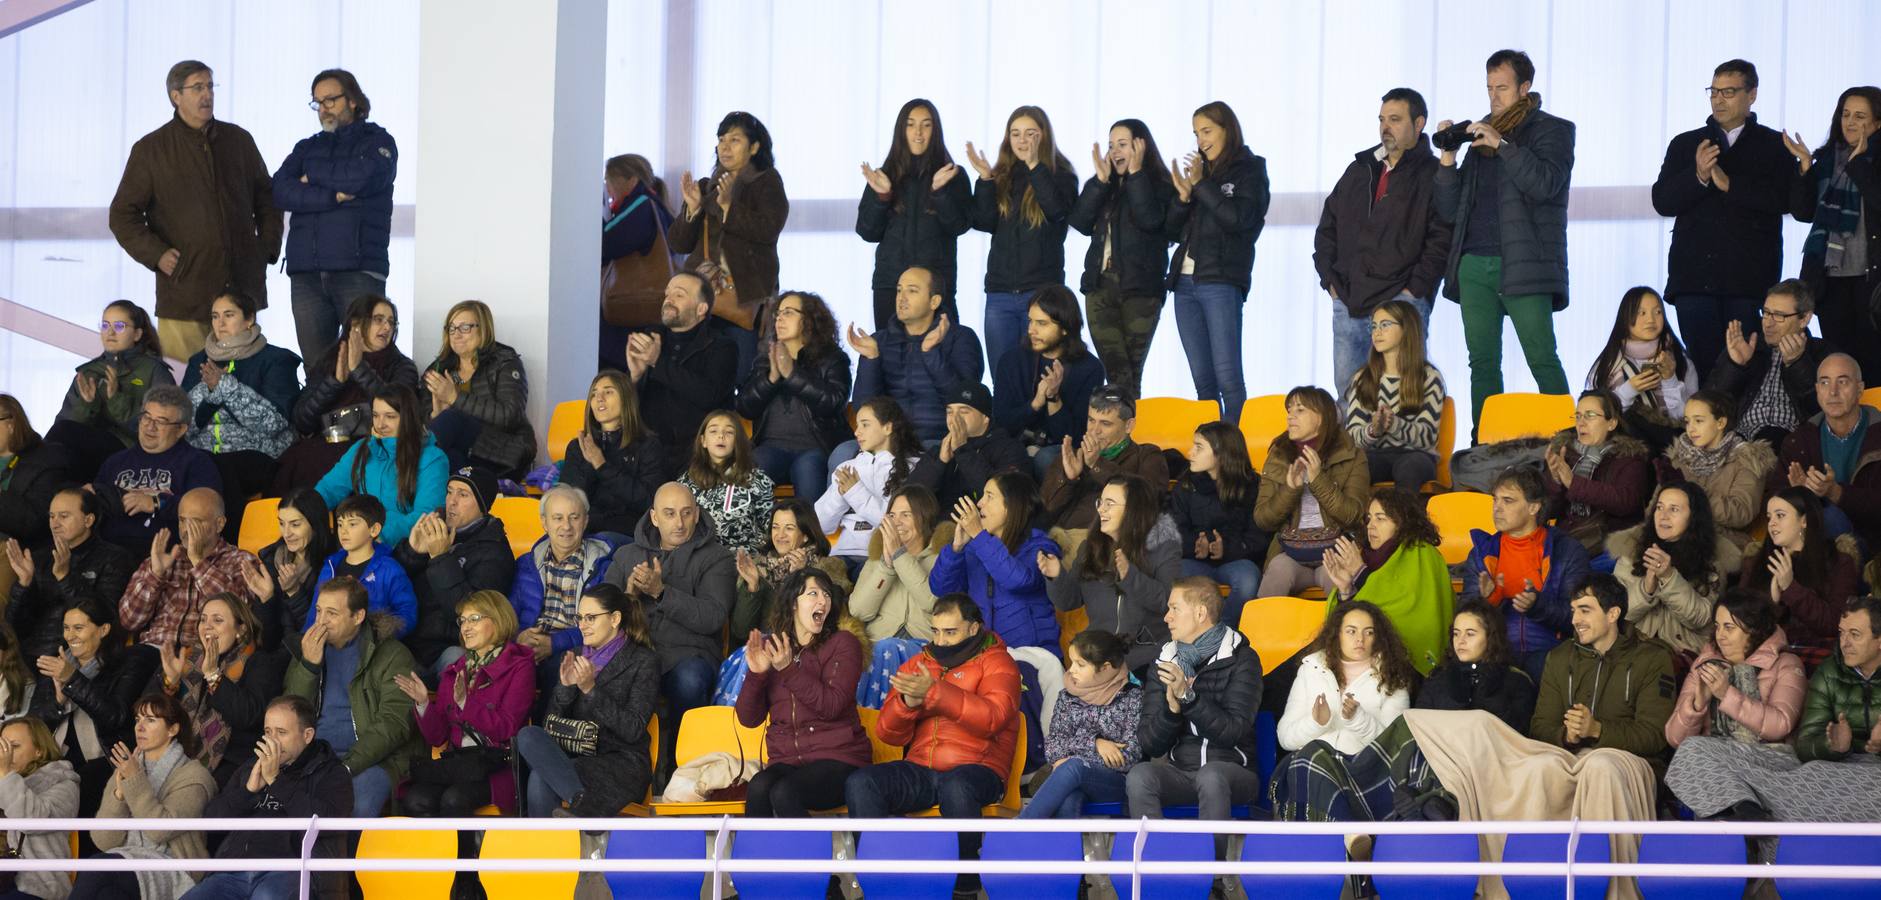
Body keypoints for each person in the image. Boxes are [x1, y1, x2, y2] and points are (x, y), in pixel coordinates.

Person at [1432, 49, 1576, 436]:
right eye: (1489, 88)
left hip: (1524, 263)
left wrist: (1504, 147)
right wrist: (1448, 158)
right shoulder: (1480, 135)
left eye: (1503, 88)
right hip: (1474, 263)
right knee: (1481, 362)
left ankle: (1567, 442)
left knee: (1541, 358)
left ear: (1525, 88)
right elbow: (1449, 209)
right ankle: (1484, 444)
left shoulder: (1553, 130)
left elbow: (1545, 184)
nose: (1494, 97)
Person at [845, 594, 1020, 898]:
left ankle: (964, 886)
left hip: (980, 769)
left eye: (950, 632)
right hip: (922, 770)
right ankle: (880, 880)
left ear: (974, 628)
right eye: (935, 631)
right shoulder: (920, 663)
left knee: (957, 786)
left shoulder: (998, 661)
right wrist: (906, 703)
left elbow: (994, 718)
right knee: (863, 782)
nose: (941, 640)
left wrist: (938, 693)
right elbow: (889, 733)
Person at [108, 60, 281, 362]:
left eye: (210, 86)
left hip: (240, 294)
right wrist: (156, 254)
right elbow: (122, 214)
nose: (207, 95)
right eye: (198, 87)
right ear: (176, 96)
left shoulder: (238, 140)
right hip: (185, 295)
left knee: (245, 390)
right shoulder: (152, 149)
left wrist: (265, 248)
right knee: (185, 394)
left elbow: (267, 197)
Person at [1651, 60, 1796, 384]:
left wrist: (1731, 185)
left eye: (1728, 92)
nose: (1718, 99)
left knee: (1748, 368)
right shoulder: (1686, 143)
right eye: (1713, 91)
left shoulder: (1773, 146)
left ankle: (1745, 435)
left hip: (1748, 280)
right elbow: (1662, 201)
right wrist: (1699, 176)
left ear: (1752, 95)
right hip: (1694, 279)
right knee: (1702, 368)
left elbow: (1784, 200)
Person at [1317, 87, 1452, 391]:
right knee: (1349, 398)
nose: (1385, 127)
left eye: (1395, 119)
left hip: (1401, 302)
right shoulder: (1360, 170)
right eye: (1382, 119)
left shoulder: (1433, 173)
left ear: (1419, 124)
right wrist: (1331, 283)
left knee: (1405, 396)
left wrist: (1413, 290)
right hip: (1349, 302)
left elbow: (1442, 237)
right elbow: (1327, 227)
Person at [602, 483, 735, 780]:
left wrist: (662, 593)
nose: (679, 523)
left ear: (697, 514)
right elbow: (601, 613)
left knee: (690, 680)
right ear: (653, 517)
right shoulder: (626, 555)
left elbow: (713, 617)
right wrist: (629, 597)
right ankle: (621, 773)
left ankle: (681, 769)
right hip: (635, 653)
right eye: (670, 514)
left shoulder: (717, 557)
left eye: (687, 513)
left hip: (688, 656)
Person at [1127, 578, 1263, 865]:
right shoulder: (1164, 661)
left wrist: (1189, 697)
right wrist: (1172, 710)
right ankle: (1159, 869)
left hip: (1234, 774)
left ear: (1200, 614)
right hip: (1182, 773)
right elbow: (1150, 744)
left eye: (1174, 608)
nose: (1167, 617)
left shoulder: (1243, 659)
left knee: (1211, 775)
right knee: (1140, 776)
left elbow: (1233, 731)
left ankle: (1209, 876)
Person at [272, 68, 397, 371]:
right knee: (318, 370)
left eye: (331, 100)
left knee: (366, 363)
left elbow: (362, 177)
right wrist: (331, 196)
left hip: (357, 270)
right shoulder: (308, 146)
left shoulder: (378, 142)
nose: (324, 108)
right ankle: (323, 422)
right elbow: (280, 190)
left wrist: (311, 177)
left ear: (353, 100)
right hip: (306, 276)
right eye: (317, 102)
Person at [184, 696, 352, 900]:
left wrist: (276, 781)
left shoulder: (332, 772)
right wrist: (247, 791)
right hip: (234, 871)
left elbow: (327, 824)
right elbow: (211, 822)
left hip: (293, 871)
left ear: (307, 736)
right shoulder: (251, 767)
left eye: (282, 732)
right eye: (268, 732)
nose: (272, 741)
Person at [512, 583, 659, 817]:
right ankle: (579, 801)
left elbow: (633, 729)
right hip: (574, 755)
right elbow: (553, 724)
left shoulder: (643, 660)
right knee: (527, 736)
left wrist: (591, 690)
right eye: (579, 618)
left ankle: (545, 847)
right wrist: (567, 688)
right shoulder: (576, 655)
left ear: (615, 619)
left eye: (590, 618)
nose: (581, 625)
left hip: (618, 762)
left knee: (541, 776)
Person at [736, 568, 872, 816]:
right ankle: (756, 855)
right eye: (813, 593)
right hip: (786, 760)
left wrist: (788, 670)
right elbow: (748, 719)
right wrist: (756, 675)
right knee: (758, 787)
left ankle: (811, 855)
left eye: (827, 595)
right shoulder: (774, 647)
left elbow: (831, 706)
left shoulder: (844, 643)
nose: (823, 601)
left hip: (839, 758)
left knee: (784, 791)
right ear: (793, 604)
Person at [1663, 588, 1807, 821]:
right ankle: (1745, 812)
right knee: (1693, 754)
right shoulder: (1705, 665)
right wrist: (1699, 703)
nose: (1720, 636)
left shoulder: (1786, 664)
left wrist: (1727, 694)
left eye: (1729, 628)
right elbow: (1675, 738)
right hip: (1716, 764)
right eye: (1717, 627)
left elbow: (1780, 725)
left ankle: (1744, 811)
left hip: (1770, 763)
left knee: (1697, 756)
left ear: (1754, 630)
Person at [282, 576, 420, 819]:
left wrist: (345, 766)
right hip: (314, 758)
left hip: (374, 762)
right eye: (318, 611)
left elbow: (394, 724)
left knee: (355, 805)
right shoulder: (307, 651)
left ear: (358, 617)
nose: (320, 621)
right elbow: (290, 715)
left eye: (332, 614)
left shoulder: (391, 655)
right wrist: (308, 667)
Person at [1167, 101, 1270, 424]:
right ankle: (1209, 455)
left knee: (1228, 379)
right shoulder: (1202, 173)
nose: (1201, 141)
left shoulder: (1250, 169)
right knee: (1203, 382)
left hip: (1221, 280)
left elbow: (1239, 219)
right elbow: (1170, 231)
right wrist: (1184, 197)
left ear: (1228, 129)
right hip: (1184, 283)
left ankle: (1232, 458)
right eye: (1196, 134)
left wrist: (1201, 186)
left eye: (1207, 131)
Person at [667, 111, 790, 379]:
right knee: (696, 371)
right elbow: (678, 242)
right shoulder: (705, 186)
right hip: (700, 294)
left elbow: (768, 229)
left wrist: (728, 209)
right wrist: (692, 210)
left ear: (755, 146)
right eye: (722, 139)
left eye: (735, 140)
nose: (725, 146)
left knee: (742, 372)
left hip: (743, 295)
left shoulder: (767, 181)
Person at [394, 590, 533, 816]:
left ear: (497, 619)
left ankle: (465, 853)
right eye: (462, 621)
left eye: (474, 619)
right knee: (415, 799)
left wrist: (466, 704)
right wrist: (423, 704)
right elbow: (438, 737)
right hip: (458, 764)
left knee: (454, 799)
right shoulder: (456, 669)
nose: (465, 627)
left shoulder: (519, 666)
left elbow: (507, 728)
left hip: (495, 766)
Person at [964, 105, 1077, 376]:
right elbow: (984, 222)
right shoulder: (1001, 174)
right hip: (1000, 295)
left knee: (1042, 378)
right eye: (1015, 134)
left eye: (1030, 133)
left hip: (1040, 294)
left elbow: (1057, 211)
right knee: (1003, 377)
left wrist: (1035, 166)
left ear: (1044, 136)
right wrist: (985, 180)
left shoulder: (1061, 174)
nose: (1022, 140)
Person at [178, 291, 302, 540]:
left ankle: (232, 544)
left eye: (229, 315)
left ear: (249, 320)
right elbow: (184, 424)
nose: (220, 323)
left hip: (259, 456)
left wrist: (226, 388)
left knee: (218, 468)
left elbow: (274, 424)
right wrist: (209, 391)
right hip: (204, 455)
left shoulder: (276, 360)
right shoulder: (198, 361)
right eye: (215, 316)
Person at [75, 692, 217, 900]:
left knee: (97, 869)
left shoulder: (194, 776)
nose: (139, 727)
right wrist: (119, 795)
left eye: (150, 720)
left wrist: (134, 780)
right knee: (108, 893)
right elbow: (103, 841)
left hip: (174, 866)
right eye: (137, 719)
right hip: (127, 859)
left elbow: (159, 832)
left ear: (173, 729)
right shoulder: (128, 767)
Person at [1069, 118, 1174, 396]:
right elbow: (1079, 222)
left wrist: (1137, 174)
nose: (1115, 151)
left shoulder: (1161, 183)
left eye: (1123, 145)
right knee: (1116, 369)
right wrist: (1099, 182)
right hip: (1100, 287)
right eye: (1111, 145)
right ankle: (1123, 433)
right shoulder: (1105, 184)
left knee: (1130, 371)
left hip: (1141, 289)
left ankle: (1128, 435)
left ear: (1141, 146)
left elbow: (1150, 220)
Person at [30, 600, 157, 827]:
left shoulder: (128, 662)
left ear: (104, 629)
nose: (70, 635)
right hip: (56, 754)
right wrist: (59, 700)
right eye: (66, 628)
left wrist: (73, 680)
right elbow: (35, 724)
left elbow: (115, 716)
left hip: (104, 757)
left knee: (84, 781)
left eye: (78, 628)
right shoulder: (58, 662)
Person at [1459, 466, 1592, 681]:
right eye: (1495, 500)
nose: (1497, 509)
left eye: (1508, 501)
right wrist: (1489, 601)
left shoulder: (1567, 551)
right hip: (1495, 653)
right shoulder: (1482, 552)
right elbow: (1465, 620)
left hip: (1552, 654)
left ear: (1533, 507)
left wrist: (1537, 606)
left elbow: (1581, 617)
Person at [276, 294, 419, 493]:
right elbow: (302, 420)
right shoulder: (330, 359)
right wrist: (334, 382)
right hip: (325, 442)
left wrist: (359, 369)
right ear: (357, 324)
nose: (387, 328)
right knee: (295, 460)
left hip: (373, 445)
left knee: (335, 462)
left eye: (391, 322)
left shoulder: (403, 367)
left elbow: (398, 407)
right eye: (378, 320)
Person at [1785, 86, 1881, 378]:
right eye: (1845, 114)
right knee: (1839, 361)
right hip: (1828, 279)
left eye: (1860, 116)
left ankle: (1874, 423)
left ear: (1877, 123)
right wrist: (1804, 167)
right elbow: (1803, 213)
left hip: (1871, 281)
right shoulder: (1827, 159)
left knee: (1873, 364)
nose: (1850, 122)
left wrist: (1860, 165)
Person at [1530, 575, 1677, 764]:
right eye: (1573, 611)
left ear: (1613, 614)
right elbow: (1540, 727)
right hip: (1570, 757)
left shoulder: (1652, 658)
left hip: (1630, 761)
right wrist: (1567, 736)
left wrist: (1597, 730)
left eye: (1585, 611)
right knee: (1539, 767)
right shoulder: (1559, 657)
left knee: (1600, 764)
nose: (1575, 620)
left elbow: (1655, 735)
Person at [1039, 474, 1179, 671]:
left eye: (1110, 503)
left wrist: (1131, 577)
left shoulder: (1164, 548)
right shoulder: (1090, 547)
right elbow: (1069, 601)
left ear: (1133, 510)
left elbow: (1168, 603)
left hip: (1147, 658)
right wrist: (1056, 576)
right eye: (1100, 502)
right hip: (1100, 655)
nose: (1101, 509)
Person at [857, 98, 972, 328]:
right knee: (891, 355)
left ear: (935, 130)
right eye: (910, 125)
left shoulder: (952, 175)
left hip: (935, 287)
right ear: (901, 130)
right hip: (890, 285)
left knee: (939, 357)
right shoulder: (884, 175)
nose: (918, 132)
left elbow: (959, 226)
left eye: (926, 125)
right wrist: (883, 197)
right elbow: (867, 231)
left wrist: (940, 193)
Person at [846, 266, 986, 452]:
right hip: (889, 439)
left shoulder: (961, 337)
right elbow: (862, 407)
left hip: (940, 438)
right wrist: (871, 360)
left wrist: (931, 353)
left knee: (925, 456)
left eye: (912, 291)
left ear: (934, 301)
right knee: (842, 454)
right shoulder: (878, 341)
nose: (901, 297)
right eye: (898, 290)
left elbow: (965, 401)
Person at [152, 592, 287, 785]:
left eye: (217, 620)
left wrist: (213, 675)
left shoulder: (260, 662)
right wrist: (170, 684)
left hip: (229, 765)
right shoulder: (185, 658)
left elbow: (249, 715)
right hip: (172, 755)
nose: (207, 626)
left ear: (240, 629)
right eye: (203, 619)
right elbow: (147, 713)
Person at [394, 466, 515, 672]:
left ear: (482, 505)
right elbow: (393, 583)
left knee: (458, 659)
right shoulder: (436, 530)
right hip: (409, 643)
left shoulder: (496, 553)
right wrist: (412, 552)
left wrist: (440, 558)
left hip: (447, 649)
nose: (452, 501)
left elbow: (469, 615)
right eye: (450, 491)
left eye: (463, 494)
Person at [1322, 487, 1456, 673]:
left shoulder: (1422, 553)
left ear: (1401, 523)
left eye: (1380, 518)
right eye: (1369, 518)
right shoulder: (1368, 556)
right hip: (1363, 654)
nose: (1370, 526)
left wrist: (1360, 573)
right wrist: (1346, 590)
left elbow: (1403, 612)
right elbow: (1355, 618)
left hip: (1405, 665)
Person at [1255, 386, 1370, 598]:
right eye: (1289, 410)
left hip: (1335, 551)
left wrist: (1318, 480)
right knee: (1278, 571)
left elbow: (1353, 515)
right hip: (1290, 552)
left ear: (1321, 417)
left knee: (1340, 581)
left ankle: (1341, 630)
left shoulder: (1351, 453)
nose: (1290, 416)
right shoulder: (1279, 454)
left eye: (1300, 410)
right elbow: (1263, 519)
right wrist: (1290, 490)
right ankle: (1261, 631)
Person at [736, 290, 852, 499]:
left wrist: (792, 375)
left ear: (809, 320)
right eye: (778, 313)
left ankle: (810, 531)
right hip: (771, 447)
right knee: (750, 474)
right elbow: (744, 406)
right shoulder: (765, 360)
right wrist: (771, 378)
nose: (779, 318)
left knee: (808, 472)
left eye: (788, 312)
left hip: (815, 448)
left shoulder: (833, 358)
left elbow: (834, 402)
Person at [1608, 482, 1743, 659]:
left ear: (1693, 517)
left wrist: (1669, 577)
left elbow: (1701, 618)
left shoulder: (1712, 559)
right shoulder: (1631, 550)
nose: (1663, 516)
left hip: (1681, 654)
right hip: (1634, 647)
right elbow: (1612, 612)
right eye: (1659, 508)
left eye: (1674, 509)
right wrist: (1646, 589)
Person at [45, 301, 175, 482]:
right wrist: (86, 405)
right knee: (56, 446)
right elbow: (67, 425)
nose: (110, 332)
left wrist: (115, 400)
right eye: (105, 325)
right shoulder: (89, 371)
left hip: (131, 452)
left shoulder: (154, 370)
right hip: (88, 455)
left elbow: (162, 428)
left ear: (137, 334)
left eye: (119, 326)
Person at [1020, 629, 1142, 819]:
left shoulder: (1132, 697)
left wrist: (1074, 759)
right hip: (1071, 781)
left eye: (1081, 664)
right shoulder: (1067, 696)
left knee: (1074, 767)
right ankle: (1065, 849)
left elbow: (1130, 755)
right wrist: (1095, 743)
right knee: (1069, 796)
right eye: (1072, 661)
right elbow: (1052, 747)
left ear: (1105, 668)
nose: (1072, 670)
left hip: (1115, 783)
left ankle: (1019, 829)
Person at [931, 472, 1059, 652]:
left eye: (989, 496)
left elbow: (1018, 581)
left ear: (1012, 505)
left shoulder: (1041, 545)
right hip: (984, 654)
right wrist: (956, 549)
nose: (980, 503)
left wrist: (978, 535)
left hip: (1033, 656)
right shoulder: (975, 547)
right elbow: (941, 589)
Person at [629, 273, 740, 479]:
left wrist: (657, 362)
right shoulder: (653, 337)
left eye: (679, 295)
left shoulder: (722, 347)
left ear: (701, 309)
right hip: (650, 451)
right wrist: (634, 378)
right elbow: (630, 410)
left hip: (697, 453)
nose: (668, 299)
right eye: (667, 294)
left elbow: (709, 395)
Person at [118, 488, 257, 651]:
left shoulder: (241, 560)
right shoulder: (165, 558)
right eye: (182, 520)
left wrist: (198, 562)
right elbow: (128, 621)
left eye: (196, 522)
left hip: (203, 654)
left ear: (219, 524)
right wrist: (155, 575)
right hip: (154, 649)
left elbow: (240, 614)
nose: (186, 529)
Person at [991, 285, 1107, 477]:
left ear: (1065, 328)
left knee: (1045, 459)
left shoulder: (1090, 368)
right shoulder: (1011, 361)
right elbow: (1002, 423)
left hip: (1059, 448)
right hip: (1015, 444)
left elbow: (1076, 436)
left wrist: (1054, 399)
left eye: (1042, 324)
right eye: (1030, 321)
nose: (1031, 330)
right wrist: (1035, 404)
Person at [313, 384, 449, 547]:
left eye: (390, 416)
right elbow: (329, 489)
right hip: (361, 542)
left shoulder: (432, 459)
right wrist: (304, 514)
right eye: (376, 415)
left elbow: (426, 516)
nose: (380, 424)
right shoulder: (363, 448)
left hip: (404, 548)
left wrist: (376, 536)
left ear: (408, 418)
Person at [1277, 600, 1416, 758]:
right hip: (1313, 764)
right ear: (1337, 634)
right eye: (1351, 631)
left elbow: (1394, 748)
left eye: (1369, 632)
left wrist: (1358, 719)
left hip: (1363, 771)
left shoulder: (1393, 676)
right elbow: (1285, 738)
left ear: (1378, 638)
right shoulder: (1310, 669)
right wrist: (1316, 723)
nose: (1360, 639)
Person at [850, 486, 949, 707]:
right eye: (892, 515)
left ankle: (880, 733)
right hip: (878, 643)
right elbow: (858, 610)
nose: (897, 522)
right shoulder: (877, 559)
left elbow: (934, 604)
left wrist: (899, 556)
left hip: (924, 646)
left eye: (906, 515)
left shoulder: (942, 556)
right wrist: (886, 565)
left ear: (924, 517)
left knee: (888, 649)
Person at [6, 488, 134, 660]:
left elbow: (102, 618)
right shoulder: (39, 557)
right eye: (52, 516)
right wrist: (23, 584)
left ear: (88, 520)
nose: (55, 523)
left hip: (75, 654)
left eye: (64, 516)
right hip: (28, 653)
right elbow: (13, 626)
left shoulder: (114, 558)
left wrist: (65, 577)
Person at [91, 386, 222, 550]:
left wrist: (157, 502)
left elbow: (206, 514)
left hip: (164, 555)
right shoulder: (115, 461)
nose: (150, 427)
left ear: (180, 429)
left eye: (161, 421)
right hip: (107, 552)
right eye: (146, 417)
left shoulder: (197, 463)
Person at [1703, 278, 1831, 445]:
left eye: (1779, 316)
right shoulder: (1745, 346)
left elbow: (1825, 410)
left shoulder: (1824, 354)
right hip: (1738, 438)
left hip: (1789, 443)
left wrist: (1798, 364)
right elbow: (1707, 404)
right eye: (1766, 313)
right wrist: (1735, 366)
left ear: (1804, 319)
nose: (1768, 323)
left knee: (1771, 436)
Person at [1774, 353, 1881, 550]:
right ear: (1816, 390)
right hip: (1812, 545)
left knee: (1832, 518)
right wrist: (1800, 496)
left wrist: (1836, 493)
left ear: (1860, 389)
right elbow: (1777, 501)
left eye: (1842, 382)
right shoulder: (1798, 441)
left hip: (1872, 542)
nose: (1833, 392)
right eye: (1824, 383)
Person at [419, 299, 535, 478]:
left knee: (452, 418)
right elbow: (422, 422)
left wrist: (455, 398)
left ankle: (403, 469)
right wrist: (435, 415)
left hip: (503, 454)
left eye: (465, 327)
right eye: (451, 328)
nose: (456, 334)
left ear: (483, 329)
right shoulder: (439, 369)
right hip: (464, 454)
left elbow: (510, 415)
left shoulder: (504, 363)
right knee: (444, 459)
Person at [1339, 298, 1447, 491]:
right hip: (1376, 454)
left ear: (1406, 329)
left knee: (1409, 467)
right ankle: (1356, 521)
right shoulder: (1363, 378)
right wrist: (1373, 430)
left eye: (1385, 325)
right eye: (1374, 326)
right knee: (1353, 468)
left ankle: (1403, 521)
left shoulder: (1429, 377)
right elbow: (1352, 438)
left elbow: (1427, 437)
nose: (1377, 332)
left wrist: (1394, 424)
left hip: (1417, 456)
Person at [511, 485, 617, 679]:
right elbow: (508, 615)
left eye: (574, 518)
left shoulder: (604, 567)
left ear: (585, 521)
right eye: (558, 518)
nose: (566, 526)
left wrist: (555, 643)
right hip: (528, 646)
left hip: (575, 648)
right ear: (544, 522)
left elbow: (605, 626)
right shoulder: (526, 564)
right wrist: (519, 637)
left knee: (561, 667)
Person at [1739, 488, 1859, 656]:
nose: (1771, 523)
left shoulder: (1839, 562)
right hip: (1766, 657)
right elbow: (1741, 625)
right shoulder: (1755, 563)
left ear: (1804, 520)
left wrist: (1790, 588)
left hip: (1818, 656)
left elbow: (1836, 624)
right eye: (1769, 517)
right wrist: (1771, 603)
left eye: (1780, 515)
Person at [1037, 385, 1170, 534]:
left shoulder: (1147, 456)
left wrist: (1097, 465)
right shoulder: (1071, 456)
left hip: (1102, 546)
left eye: (1105, 423)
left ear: (1128, 425)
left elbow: (1145, 502)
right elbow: (1043, 513)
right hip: (1055, 542)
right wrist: (1068, 479)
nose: (1095, 430)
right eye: (1091, 420)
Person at [1171, 424, 1265, 629]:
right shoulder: (1185, 485)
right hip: (1195, 561)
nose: (1189, 453)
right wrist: (1197, 546)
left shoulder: (1252, 486)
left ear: (1221, 453)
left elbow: (1258, 537)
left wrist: (1226, 549)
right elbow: (1175, 533)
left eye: (1199, 447)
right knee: (1172, 572)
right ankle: (1190, 634)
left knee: (1248, 579)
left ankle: (1223, 633)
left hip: (1237, 561)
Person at [1541, 390, 1654, 559]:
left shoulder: (1630, 458)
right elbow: (1546, 512)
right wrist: (1555, 481)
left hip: (1607, 547)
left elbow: (1625, 502)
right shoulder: (1566, 454)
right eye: (1578, 416)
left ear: (1612, 423)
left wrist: (1574, 483)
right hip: (1568, 541)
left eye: (1590, 415)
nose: (1581, 423)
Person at [1585, 286, 1699, 451]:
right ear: (1625, 317)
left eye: (1657, 312)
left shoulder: (1681, 360)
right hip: (1620, 450)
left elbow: (1689, 420)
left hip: (1669, 449)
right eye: (1641, 313)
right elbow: (1594, 416)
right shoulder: (1608, 363)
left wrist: (1670, 380)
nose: (1651, 320)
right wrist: (1630, 389)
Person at [558, 369, 666, 538]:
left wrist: (602, 466)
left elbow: (649, 501)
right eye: (594, 394)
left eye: (608, 392)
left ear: (626, 399)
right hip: (582, 530)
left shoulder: (648, 445)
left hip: (626, 532)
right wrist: (590, 462)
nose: (599, 398)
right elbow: (569, 500)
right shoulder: (578, 446)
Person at [1662, 391, 1776, 550]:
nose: (1691, 429)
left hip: (1723, 542)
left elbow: (1742, 513)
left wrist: (1695, 496)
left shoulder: (1747, 460)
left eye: (1699, 421)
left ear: (1720, 423)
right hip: (1676, 534)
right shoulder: (1679, 457)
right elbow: (1657, 508)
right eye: (1687, 422)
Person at [816, 397, 922, 568]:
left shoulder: (913, 468)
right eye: (857, 425)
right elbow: (821, 526)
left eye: (865, 425)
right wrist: (840, 495)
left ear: (888, 427)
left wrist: (855, 492)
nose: (857, 432)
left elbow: (896, 524)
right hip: (843, 554)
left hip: (885, 554)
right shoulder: (848, 467)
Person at [730, 500, 853, 641]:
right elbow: (740, 631)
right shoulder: (757, 568)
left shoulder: (828, 568)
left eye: (789, 528)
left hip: (807, 653)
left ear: (806, 534)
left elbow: (829, 622)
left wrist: (802, 576)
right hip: (763, 651)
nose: (780, 535)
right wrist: (752, 587)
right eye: (775, 527)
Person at [599, 153, 676, 372]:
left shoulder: (640, 205)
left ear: (631, 181)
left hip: (631, 313)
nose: (608, 189)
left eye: (609, 181)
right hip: (641, 315)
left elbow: (604, 244)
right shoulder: (654, 204)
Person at [906, 381, 1028, 512]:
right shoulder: (940, 450)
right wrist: (940, 463)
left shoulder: (1010, 449)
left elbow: (1004, 499)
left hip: (979, 528)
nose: (954, 419)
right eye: (950, 412)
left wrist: (963, 451)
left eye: (963, 412)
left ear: (985, 417)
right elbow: (908, 496)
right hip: (937, 528)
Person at [1416, 602, 1537, 733]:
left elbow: (1521, 736)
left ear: (1490, 637)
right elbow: (1419, 729)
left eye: (1470, 634)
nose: (1460, 640)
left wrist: (1489, 697)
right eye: (1456, 633)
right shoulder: (1437, 678)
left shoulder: (1517, 681)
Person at [306, 495, 417, 638]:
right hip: (329, 647)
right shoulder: (330, 566)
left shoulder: (390, 569)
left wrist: (376, 634)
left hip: (372, 651)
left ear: (374, 529)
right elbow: (313, 614)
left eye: (352, 524)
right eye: (340, 524)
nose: (343, 531)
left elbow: (408, 613)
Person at [241, 488, 334, 652]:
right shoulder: (271, 559)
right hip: (277, 652)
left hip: (309, 655)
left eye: (295, 525)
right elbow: (267, 642)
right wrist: (266, 600)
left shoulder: (333, 565)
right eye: (282, 523)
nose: (286, 533)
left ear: (315, 524)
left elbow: (318, 636)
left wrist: (294, 593)